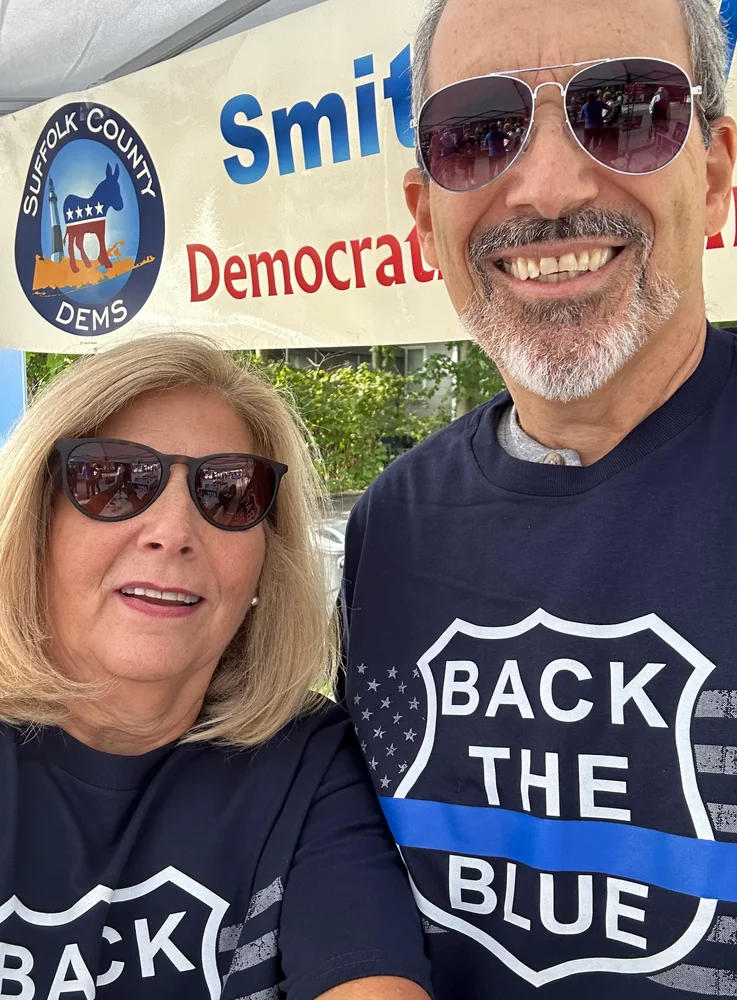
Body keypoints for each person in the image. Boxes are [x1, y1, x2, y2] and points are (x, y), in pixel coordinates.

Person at [343, 0, 737, 998]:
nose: (551, 186)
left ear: (716, 166)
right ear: (421, 210)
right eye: (476, 136)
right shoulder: (389, 528)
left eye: (626, 109)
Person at [0, 336, 432, 1000]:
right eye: (113, 481)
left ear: (264, 556)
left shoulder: (305, 761)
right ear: (37, 523)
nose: (172, 530)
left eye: (229, 493)